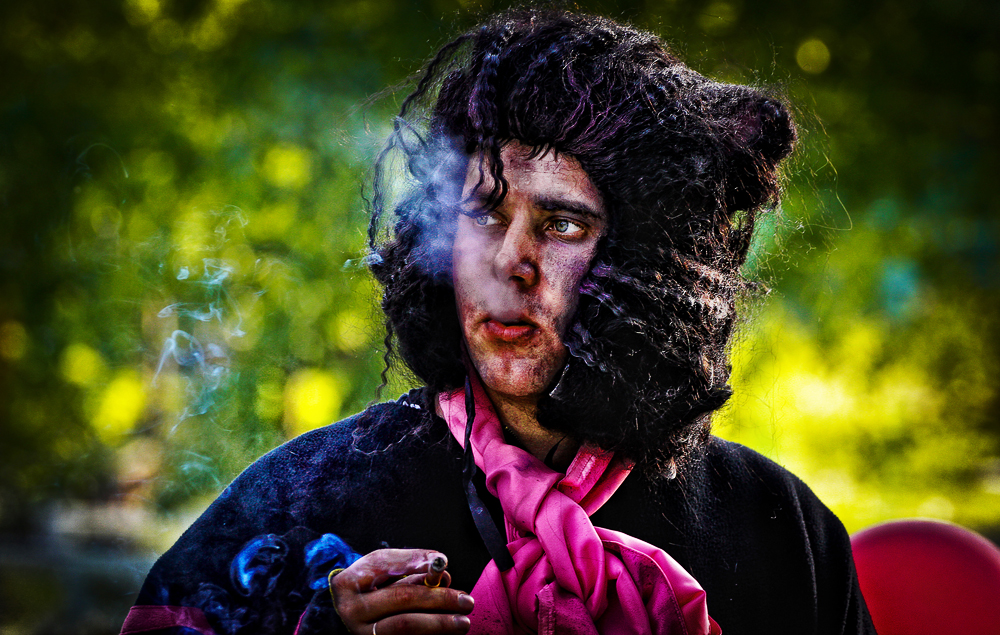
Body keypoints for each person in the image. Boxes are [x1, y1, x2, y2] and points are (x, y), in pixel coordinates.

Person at [122, 8, 875, 635]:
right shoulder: (304, 502)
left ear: (649, 267)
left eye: (562, 224)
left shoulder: (782, 534)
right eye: (483, 214)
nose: (509, 260)